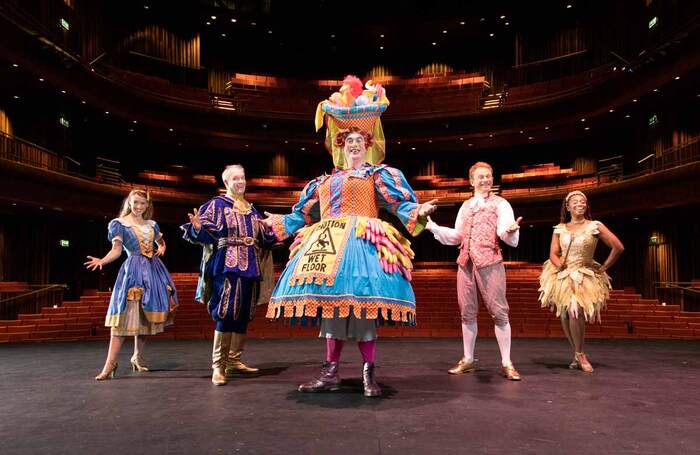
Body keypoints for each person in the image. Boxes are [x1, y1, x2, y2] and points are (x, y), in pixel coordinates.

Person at [261, 76, 437, 397]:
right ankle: (330, 372)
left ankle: (369, 373)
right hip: (328, 245)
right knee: (332, 310)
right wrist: (280, 221)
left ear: (367, 145)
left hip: (362, 242)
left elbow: (400, 203)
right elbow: (302, 214)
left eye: (359, 140)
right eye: (348, 141)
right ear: (341, 146)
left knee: (363, 307)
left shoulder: (377, 175)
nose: (354, 145)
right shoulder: (322, 181)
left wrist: (418, 212)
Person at [426, 162, 523, 380]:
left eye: (488, 176)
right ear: (471, 181)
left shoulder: (501, 204)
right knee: (467, 312)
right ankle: (468, 359)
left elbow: (504, 230)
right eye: (481, 177)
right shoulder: (466, 206)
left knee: (499, 312)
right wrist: (434, 228)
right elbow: (458, 236)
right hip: (466, 263)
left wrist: (510, 231)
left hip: (490, 262)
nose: (486, 180)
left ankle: (506, 362)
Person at [182, 164, 276, 386]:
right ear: (226, 182)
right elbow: (203, 235)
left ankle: (234, 360)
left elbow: (265, 240)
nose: (241, 182)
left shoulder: (252, 209)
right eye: (235, 178)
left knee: (244, 314)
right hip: (227, 267)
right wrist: (197, 227)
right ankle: (218, 366)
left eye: (243, 177)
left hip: (251, 268)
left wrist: (274, 228)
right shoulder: (217, 205)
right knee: (226, 313)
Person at [85, 189, 177, 380]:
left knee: (145, 317)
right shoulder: (120, 224)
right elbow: (117, 250)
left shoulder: (152, 224)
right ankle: (110, 364)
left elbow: (160, 240)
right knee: (123, 317)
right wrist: (102, 260)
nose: (138, 207)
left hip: (154, 272)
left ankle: (137, 356)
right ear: (129, 202)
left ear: (147, 205)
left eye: (142, 203)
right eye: (135, 202)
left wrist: (162, 247)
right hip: (133, 271)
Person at [538, 190, 624, 372]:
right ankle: (576, 354)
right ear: (568, 207)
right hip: (563, 274)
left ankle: (581, 354)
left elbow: (618, 247)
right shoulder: (560, 228)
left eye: (582, 201)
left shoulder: (595, 225)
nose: (579, 203)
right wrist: (558, 263)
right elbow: (552, 253)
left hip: (583, 274)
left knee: (574, 310)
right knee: (564, 314)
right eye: (575, 201)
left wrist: (603, 267)